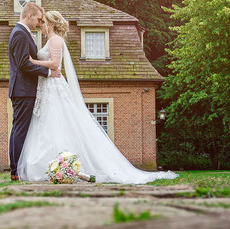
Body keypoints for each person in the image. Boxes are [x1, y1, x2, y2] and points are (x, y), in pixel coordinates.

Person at [17, 10, 177, 184]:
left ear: (52, 23)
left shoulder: (55, 40)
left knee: (56, 121)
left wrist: (33, 62)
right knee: (47, 123)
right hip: (46, 85)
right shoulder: (50, 40)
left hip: (53, 87)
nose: (41, 25)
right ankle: (54, 165)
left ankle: (61, 164)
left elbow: (55, 64)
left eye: (43, 22)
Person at [8, 3, 61, 181]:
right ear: (29, 15)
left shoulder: (21, 33)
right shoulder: (21, 34)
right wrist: (47, 72)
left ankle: (17, 169)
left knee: (20, 129)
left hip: (24, 89)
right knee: (20, 130)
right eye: (38, 19)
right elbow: (24, 64)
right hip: (23, 90)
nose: (40, 23)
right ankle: (16, 170)